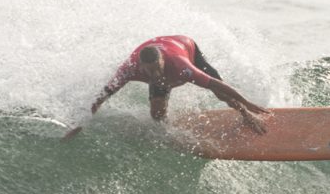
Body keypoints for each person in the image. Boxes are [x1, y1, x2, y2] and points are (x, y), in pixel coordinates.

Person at [61, 35, 269, 141]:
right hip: (158, 48)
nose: (155, 75)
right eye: (149, 71)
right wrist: (81, 123)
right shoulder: (127, 70)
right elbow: (99, 99)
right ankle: (170, 130)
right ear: (140, 67)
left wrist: (246, 105)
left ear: (162, 62)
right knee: (157, 113)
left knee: (218, 92)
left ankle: (246, 116)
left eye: (157, 69)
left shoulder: (180, 64)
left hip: (184, 46)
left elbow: (218, 85)